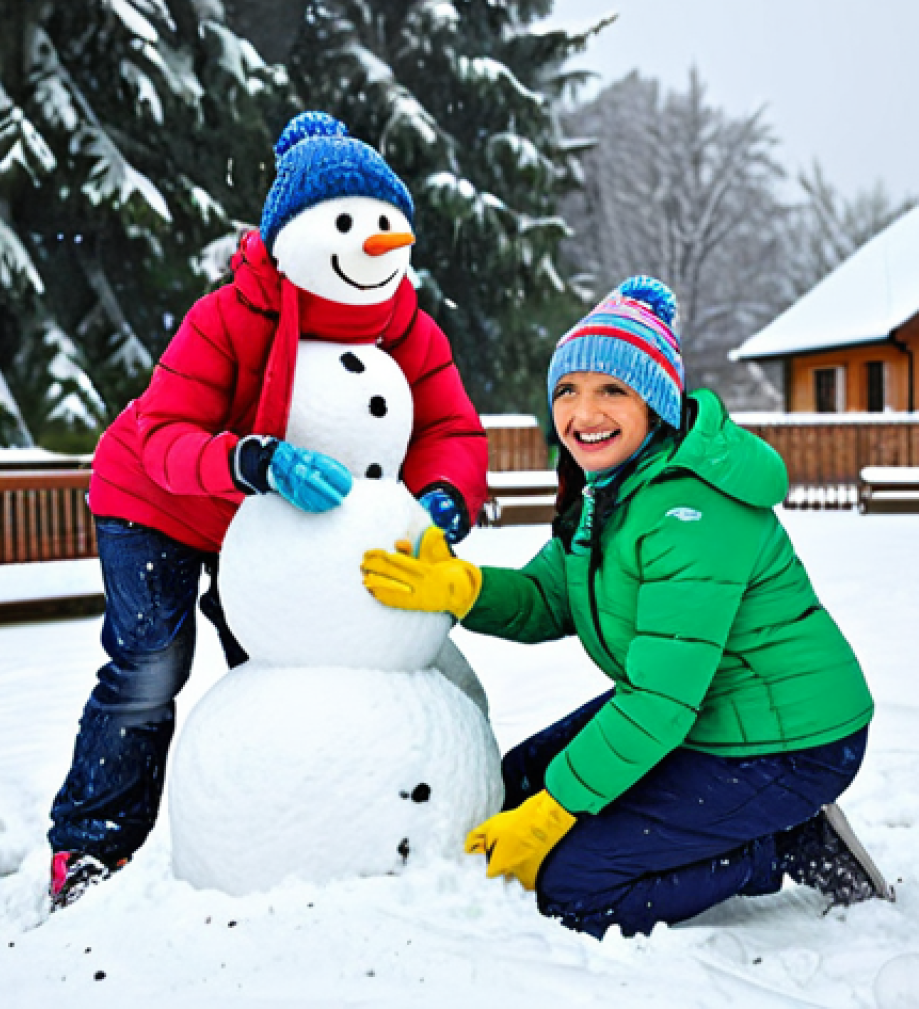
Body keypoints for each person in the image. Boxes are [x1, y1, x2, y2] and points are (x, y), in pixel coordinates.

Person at [361, 275, 893, 939]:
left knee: (575, 887)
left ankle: (779, 844)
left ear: (657, 403)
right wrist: (463, 588)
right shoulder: (610, 491)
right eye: (568, 391)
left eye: (612, 390)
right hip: (700, 712)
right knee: (518, 784)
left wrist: (558, 812)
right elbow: (547, 597)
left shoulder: (690, 511)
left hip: (790, 744)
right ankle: (739, 828)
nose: (584, 413)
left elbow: (657, 704)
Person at [48, 112, 488, 909]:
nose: (376, 243)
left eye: (388, 224)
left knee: (278, 675)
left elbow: (451, 426)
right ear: (297, 236)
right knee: (152, 668)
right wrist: (251, 460)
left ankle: (280, 835)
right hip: (160, 502)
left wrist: (445, 495)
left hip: (274, 532)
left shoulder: (409, 330)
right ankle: (90, 847)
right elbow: (164, 434)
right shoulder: (229, 316)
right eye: (351, 224)